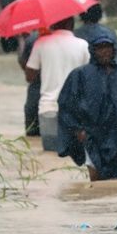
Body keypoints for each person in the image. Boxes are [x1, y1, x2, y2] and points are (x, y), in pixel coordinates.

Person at [57, 29, 117, 181]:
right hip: (93, 135)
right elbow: (67, 105)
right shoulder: (80, 75)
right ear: (92, 51)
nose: (104, 52)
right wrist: (77, 130)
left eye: (107, 47)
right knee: (96, 177)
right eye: (99, 48)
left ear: (113, 49)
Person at [25, 17, 90, 151]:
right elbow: (90, 77)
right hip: (76, 109)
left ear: (53, 24)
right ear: (71, 24)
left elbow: (30, 77)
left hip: (48, 108)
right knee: (75, 155)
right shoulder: (83, 45)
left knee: (50, 153)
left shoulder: (41, 43)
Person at [17, 31, 41, 136]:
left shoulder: (33, 40)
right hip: (65, 97)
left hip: (36, 94)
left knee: (32, 138)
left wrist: (21, 40)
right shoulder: (76, 41)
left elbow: (28, 74)